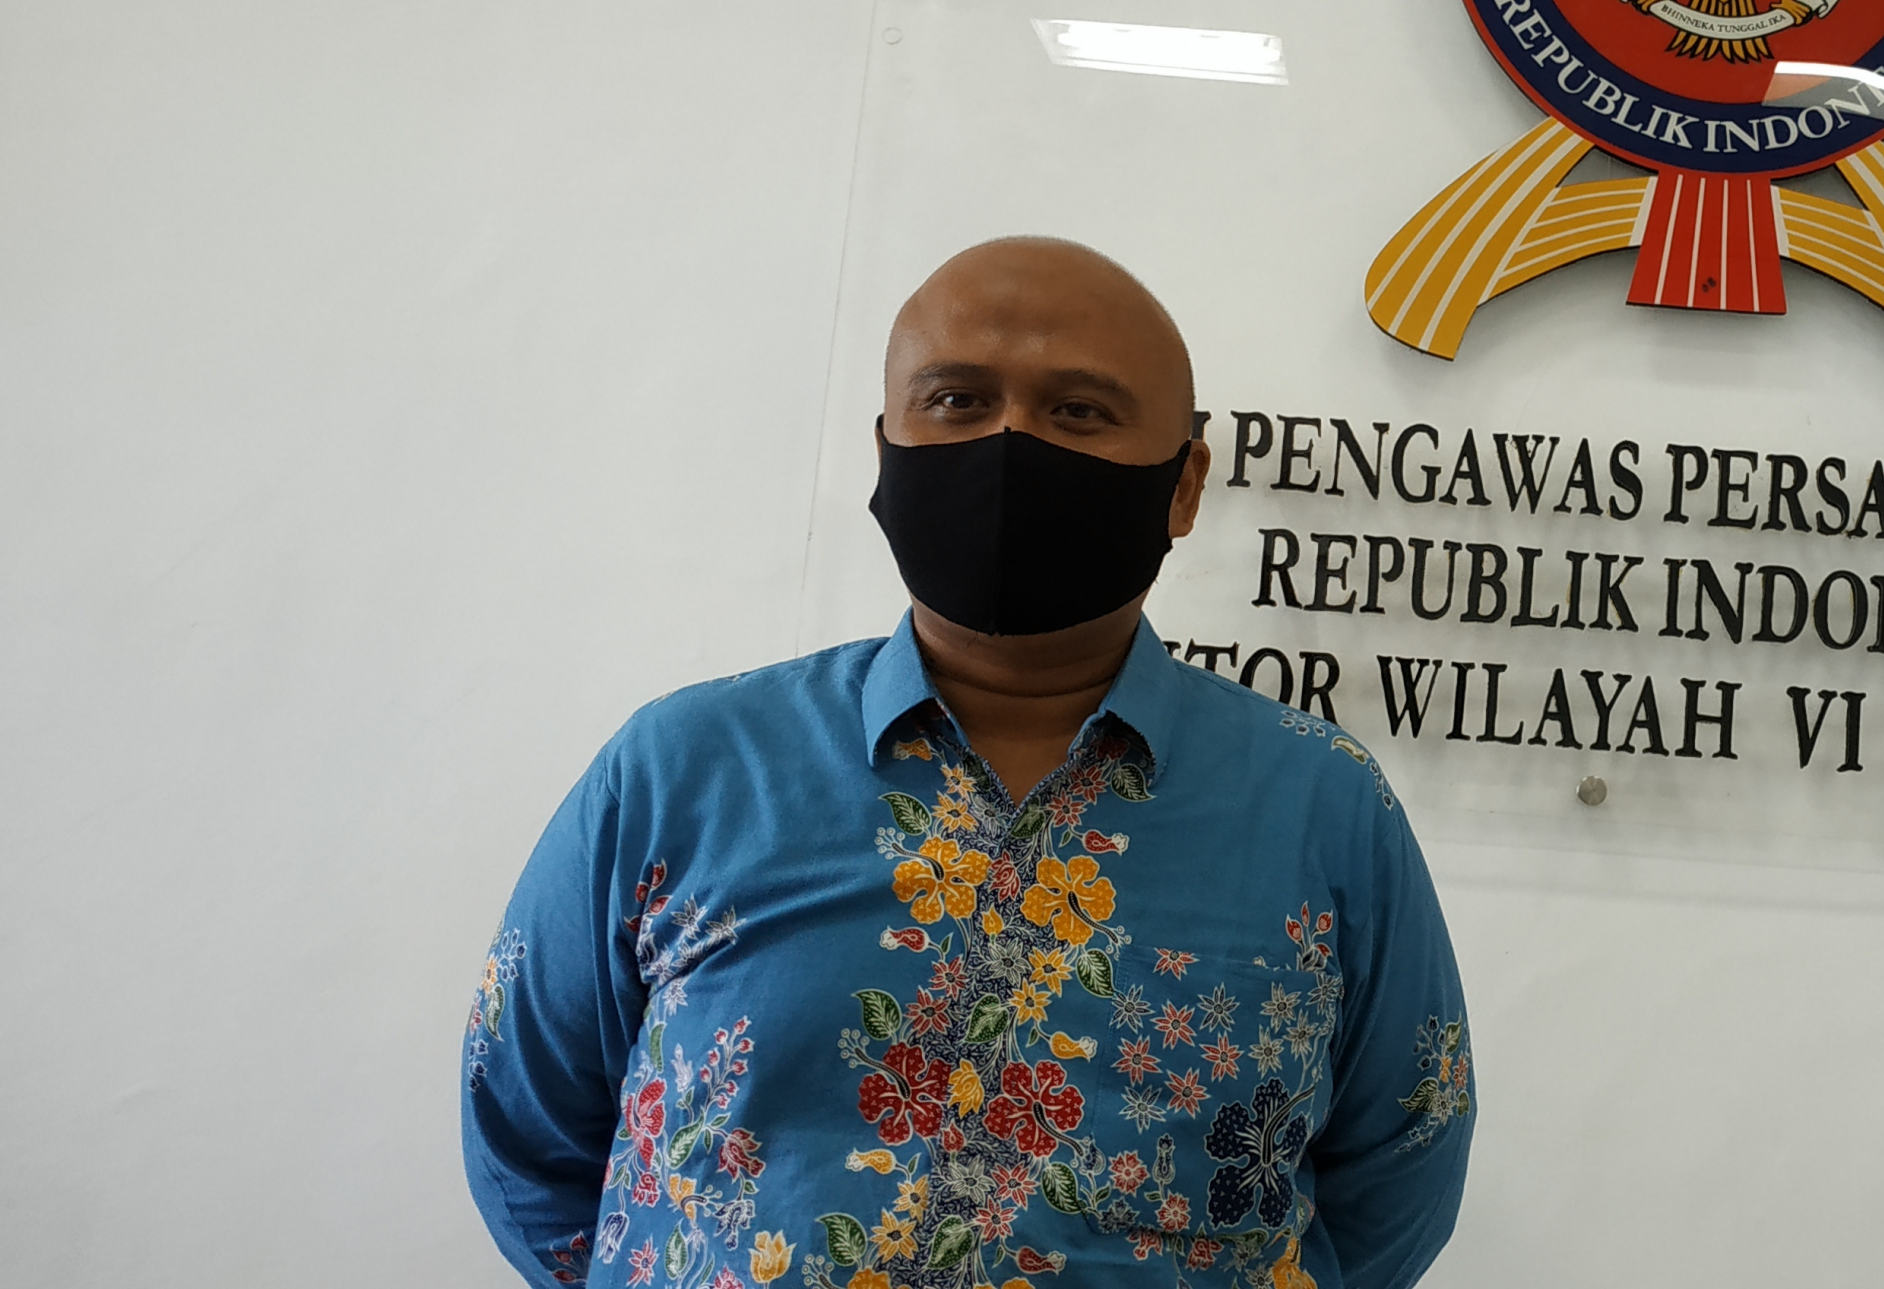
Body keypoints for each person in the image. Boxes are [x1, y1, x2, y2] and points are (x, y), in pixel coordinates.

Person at [461, 238, 1474, 1289]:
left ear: (1183, 486)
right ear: (887, 450)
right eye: (956, 400)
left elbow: (1400, 1171)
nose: (1008, 443)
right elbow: (529, 1134)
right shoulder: (683, 771)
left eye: (1078, 409)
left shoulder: (1320, 805)